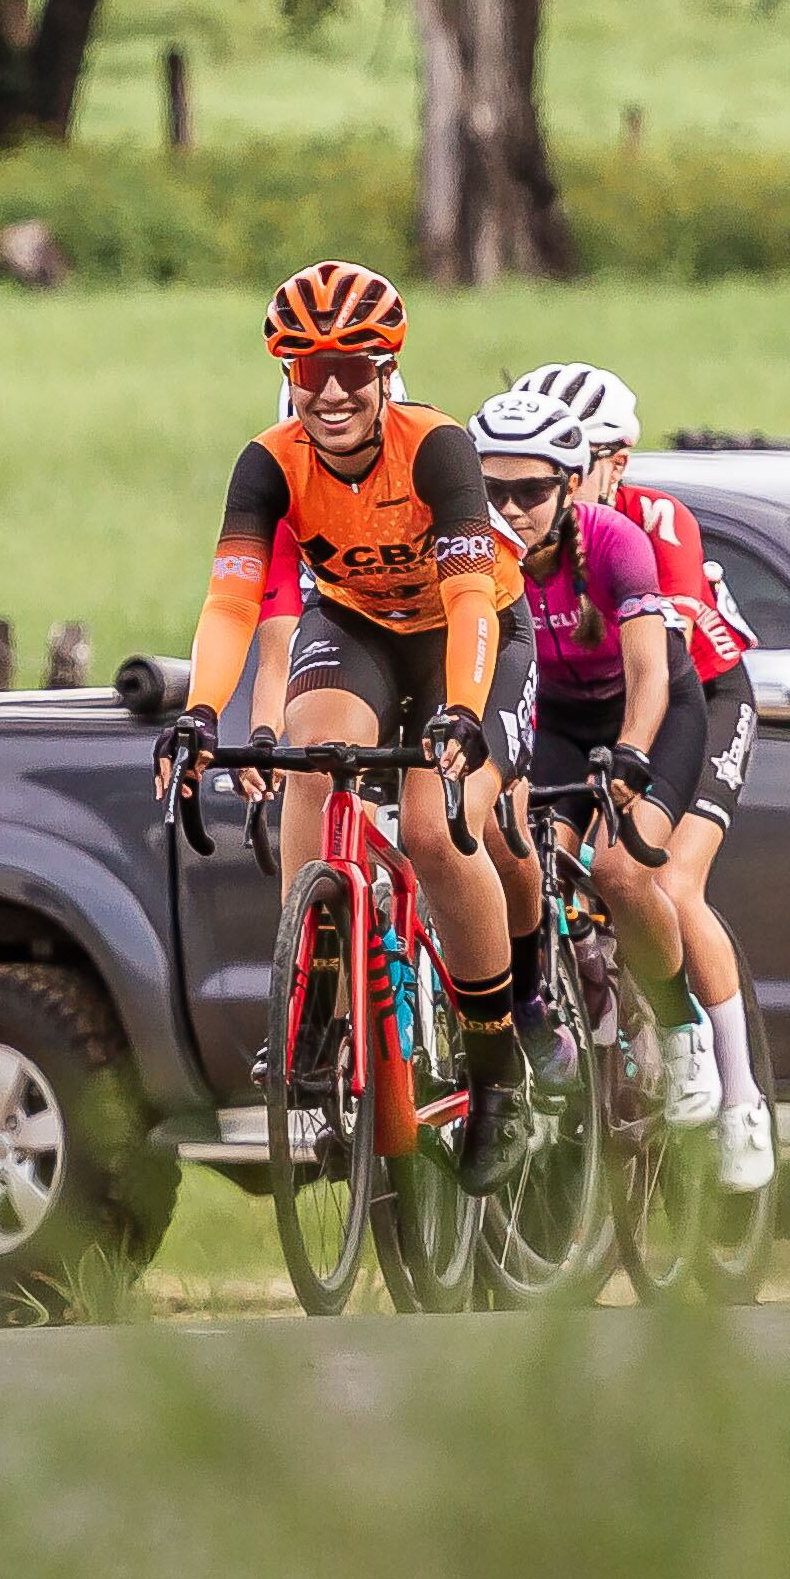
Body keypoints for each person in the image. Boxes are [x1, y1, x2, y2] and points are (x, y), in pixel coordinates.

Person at [160, 264, 531, 1195]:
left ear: (386, 371)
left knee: (435, 829)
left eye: (352, 370)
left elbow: (469, 596)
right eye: (309, 370)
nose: (330, 392)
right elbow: (232, 600)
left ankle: (500, 1072)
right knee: (310, 760)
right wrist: (200, 711)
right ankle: (315, 991)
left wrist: (461, 709)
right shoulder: (268, 461)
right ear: (287, 375)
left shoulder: (435, 447)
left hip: (469, 632)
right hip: (360, 624)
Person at [472, 389, 728, 1145]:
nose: (510, 509)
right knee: (519, 849)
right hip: (554, 719)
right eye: (492, 490)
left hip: (651, 713)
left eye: (531, 491)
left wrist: (634, 752)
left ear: (570, 484)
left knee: (620, 869)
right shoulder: (476, 555)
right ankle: (555, 994)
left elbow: (650, 672)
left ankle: (680, 1028)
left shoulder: (616, 541)